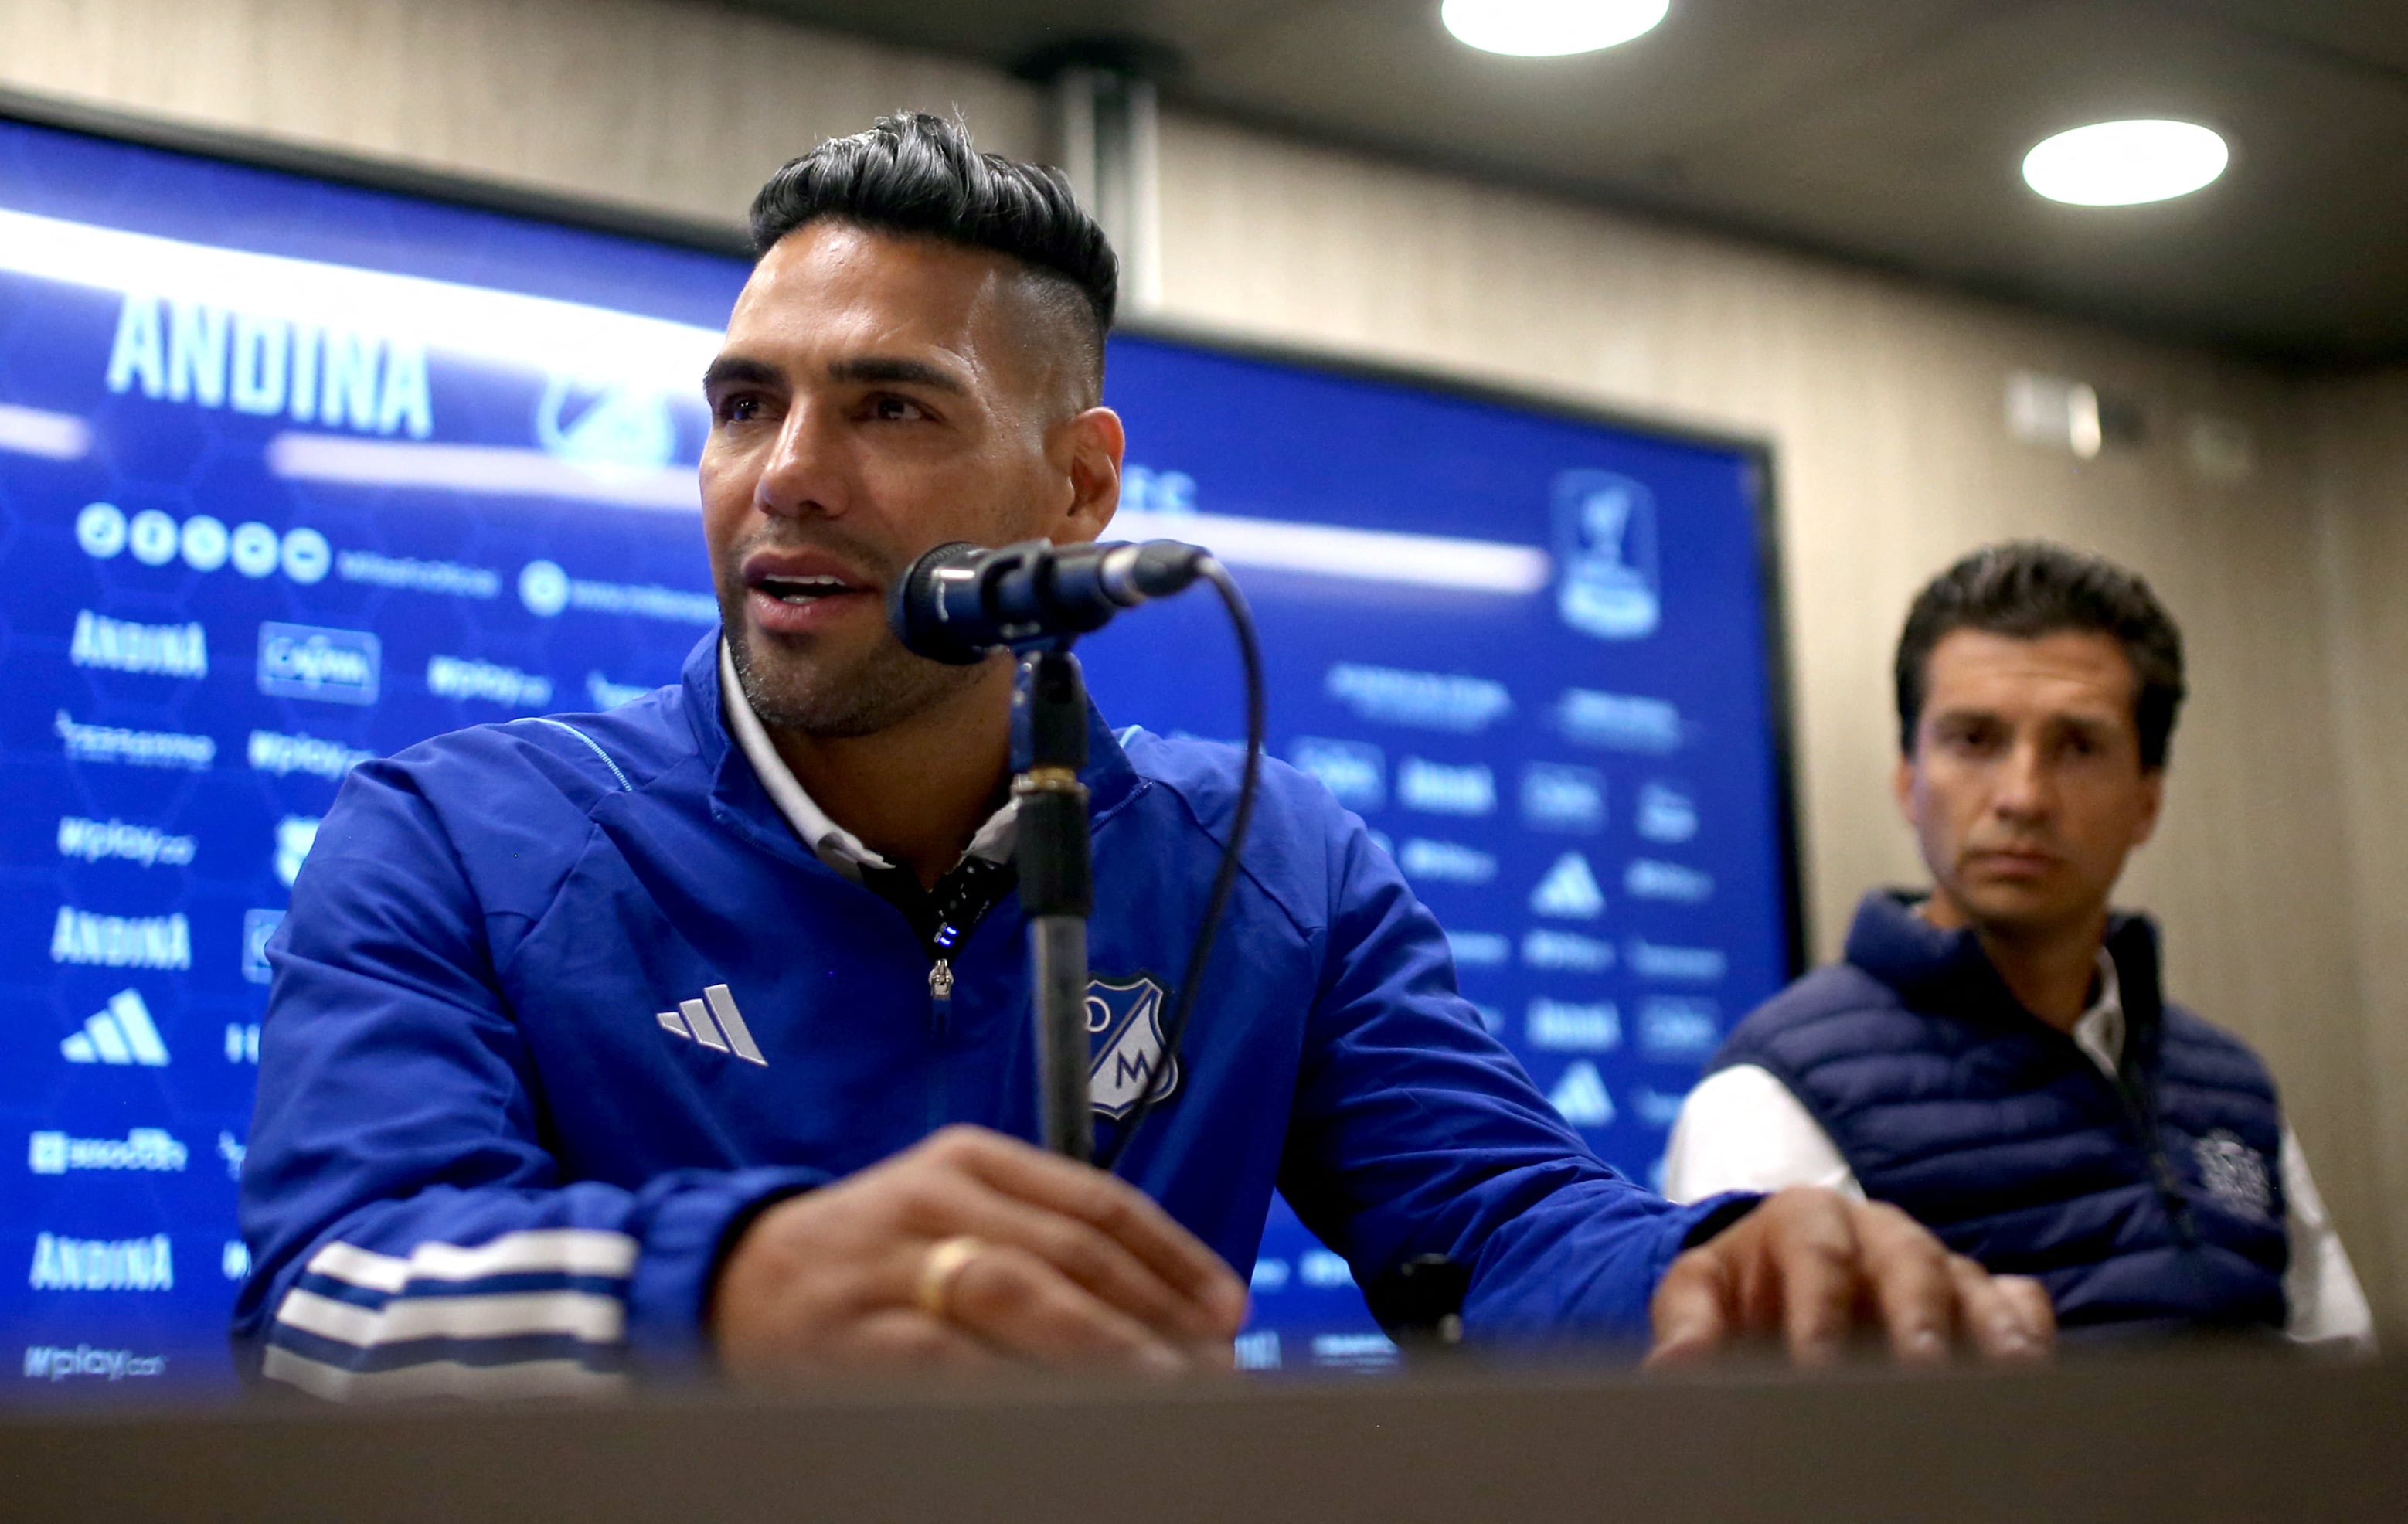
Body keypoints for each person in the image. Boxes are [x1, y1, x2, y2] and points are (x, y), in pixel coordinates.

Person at [233, 114, 2050, 1399]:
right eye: (742, 402)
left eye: (887, 406)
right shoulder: (454, 836)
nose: (784, 469)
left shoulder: (1281, 869)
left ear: (1082, 484)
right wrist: (739, 1280)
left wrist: (1704, 1272)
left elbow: (1498, 1232)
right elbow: (326, 1307)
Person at [1664, 543, 2374, 1347]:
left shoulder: (2229, 1089)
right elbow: (1768, 1456)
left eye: (2076, 747)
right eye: (1973, 740)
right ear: (1907, 779)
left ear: (2147, 799)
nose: (2022, 796)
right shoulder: (1772, 1097)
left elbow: (2343, 1405)